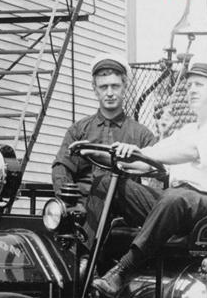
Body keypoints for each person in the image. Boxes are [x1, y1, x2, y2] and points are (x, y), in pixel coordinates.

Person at [90, 56, 207, 298]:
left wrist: (140, 152)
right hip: (181, 209)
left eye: (199, 84)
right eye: (188, 86)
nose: (191, 90)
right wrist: (107, 155)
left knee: (175, 198)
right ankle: (92, 266)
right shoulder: (187, 130)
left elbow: (187, 152)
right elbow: (146, 161)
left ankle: (124, 271)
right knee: (107, 184)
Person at [51, 54, 156, 214]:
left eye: (115, 86)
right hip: (82, 209)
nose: (109, 93)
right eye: (103, 87)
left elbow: (157, 172)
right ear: (94, 89)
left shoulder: (141, 134)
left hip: (123, 213)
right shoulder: (79, 130)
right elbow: (61, 168)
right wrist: (69, 204)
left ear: (125, 86)